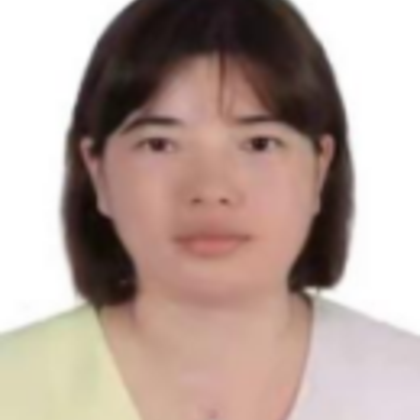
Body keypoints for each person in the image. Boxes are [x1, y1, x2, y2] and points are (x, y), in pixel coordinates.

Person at [0, 0, 419, 418]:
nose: (211, 189)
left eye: (259, 143)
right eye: (160, 144)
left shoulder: (405, 384)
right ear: (98, 172)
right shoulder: (12, 384)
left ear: (320, 168)